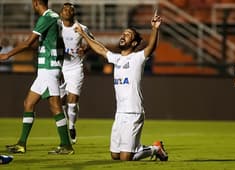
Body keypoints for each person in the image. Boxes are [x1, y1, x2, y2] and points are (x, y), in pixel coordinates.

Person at [75, 11, 168, 161]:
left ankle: (155, 149)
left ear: (134, 43)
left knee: (125, 158)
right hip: (120, 114)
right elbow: (101, 49)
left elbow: (151, 47)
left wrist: (155, 29)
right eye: (123, 33)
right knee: (115, 155)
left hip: (133, 112)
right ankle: (147, 148)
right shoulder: (116, 59)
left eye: (128, 34)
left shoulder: (137, 58)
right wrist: (83, 34)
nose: (123, 36)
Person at [0, 0, 74, 155]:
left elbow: (28, 43)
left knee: (55, 106)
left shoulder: (46, 17)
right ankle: (21, 144)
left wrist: (7, 54)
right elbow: (57, 42)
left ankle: (66, 145)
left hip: (48, 68)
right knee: (28, 103)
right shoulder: (56, 17)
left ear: (35, 3)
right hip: (46, 69)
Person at [59, 2, 94, 144]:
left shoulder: (81, 28)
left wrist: (85, 50)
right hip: (58, 67)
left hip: (75, 68)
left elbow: (92, 42)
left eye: (70, 9)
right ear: (61, 13)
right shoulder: (55, 26)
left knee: (72, 101)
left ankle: (71, 126)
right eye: (65, 9)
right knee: (60, 101)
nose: (67, 11)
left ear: (74, 13)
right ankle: (65, 123)